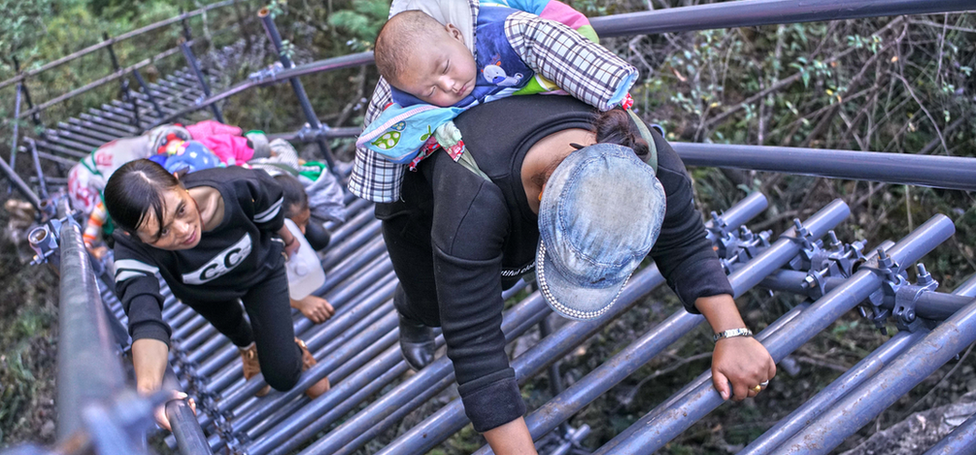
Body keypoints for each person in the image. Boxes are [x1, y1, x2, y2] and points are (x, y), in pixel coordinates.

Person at [376, 94, 777, 455]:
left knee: (501, 277)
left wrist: (734, 331)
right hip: (430, 211)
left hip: (515, 198)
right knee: (438, 306)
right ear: (545, 193)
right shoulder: (473, 199)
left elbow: (683, 241)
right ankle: (410, 309)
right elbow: (476, 348)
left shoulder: (639, 150)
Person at [105, 160, 331, 428]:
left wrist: (291, 242)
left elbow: (272, 218)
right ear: (134, 235)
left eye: (181, 210)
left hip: (261, 273)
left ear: (179, 181)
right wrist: (150, 391)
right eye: (162, 232)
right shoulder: (131, 249)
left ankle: (293, 352)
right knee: (239, 331)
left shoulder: (241, 186)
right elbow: (144, 317)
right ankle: (249, 348)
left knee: (282, 377)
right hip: (204, 295)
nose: (184, 230)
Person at [350, 0, 637, 202]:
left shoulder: (502, 30)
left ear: (456, 33)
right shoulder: (406, 79)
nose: (450, 86)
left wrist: (606, 87)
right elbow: (382, 122)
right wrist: (380, 190)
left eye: (446, 67)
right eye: (429, 91)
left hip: (536, 81)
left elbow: (549, 33)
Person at [275, 173, 336, 324]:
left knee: (319, 238)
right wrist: (299, 301)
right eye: (296, 227)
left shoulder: (285, 170)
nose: (302, 231)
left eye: (304, 222)